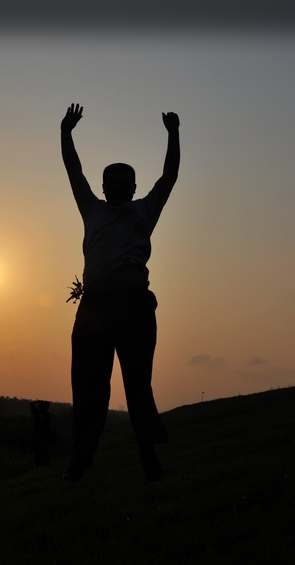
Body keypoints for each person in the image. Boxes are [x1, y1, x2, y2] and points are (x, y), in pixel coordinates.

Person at [59, 103, 180, 482]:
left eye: (122, 183)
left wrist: (172, 132)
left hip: (134, 308)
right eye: (109, 182)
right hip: (95, 308)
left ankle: (149, 456)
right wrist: (66, 131)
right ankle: (81, 456)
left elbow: (170, 175)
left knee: (138, 383)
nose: (114, 187)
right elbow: (73, 170)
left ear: (132, 187)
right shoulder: (91, 210)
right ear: (102, 186)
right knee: (89, 383)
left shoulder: (145, 210)